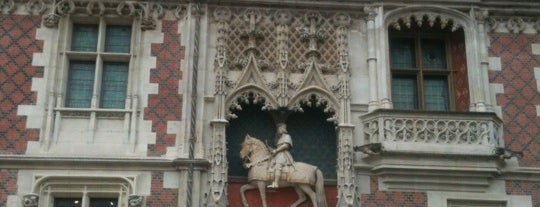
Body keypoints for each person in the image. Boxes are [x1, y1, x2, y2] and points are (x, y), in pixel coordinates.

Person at [267, 122, 295, 188]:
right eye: (278, 128)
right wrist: (272, 150)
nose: (279, 130)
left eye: (280, 128)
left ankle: (276, 183)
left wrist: (276, 150)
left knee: (277, 166)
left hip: (283, 154)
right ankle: (272, 182)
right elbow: (278, 146)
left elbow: (286, 145)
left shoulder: (287, 136)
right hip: (277, 154)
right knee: (270, 165)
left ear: (283, 129)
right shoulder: (280, 138)